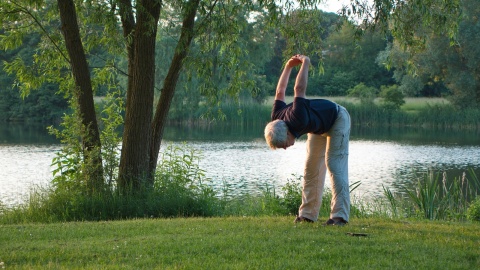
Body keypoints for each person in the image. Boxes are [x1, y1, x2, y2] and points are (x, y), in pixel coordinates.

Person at [264, 54, 351, 225]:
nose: (286, 148)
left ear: (287, 133)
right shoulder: (276, 118)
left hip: (338, 119)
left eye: (283, 145)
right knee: (311, 168)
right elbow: (280, 91)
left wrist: (305, 63)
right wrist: (288, 66)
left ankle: (339, 216)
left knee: (334, 164)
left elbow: (299, 89)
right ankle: (307, 215)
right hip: (318, 127)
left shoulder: (297, 118)